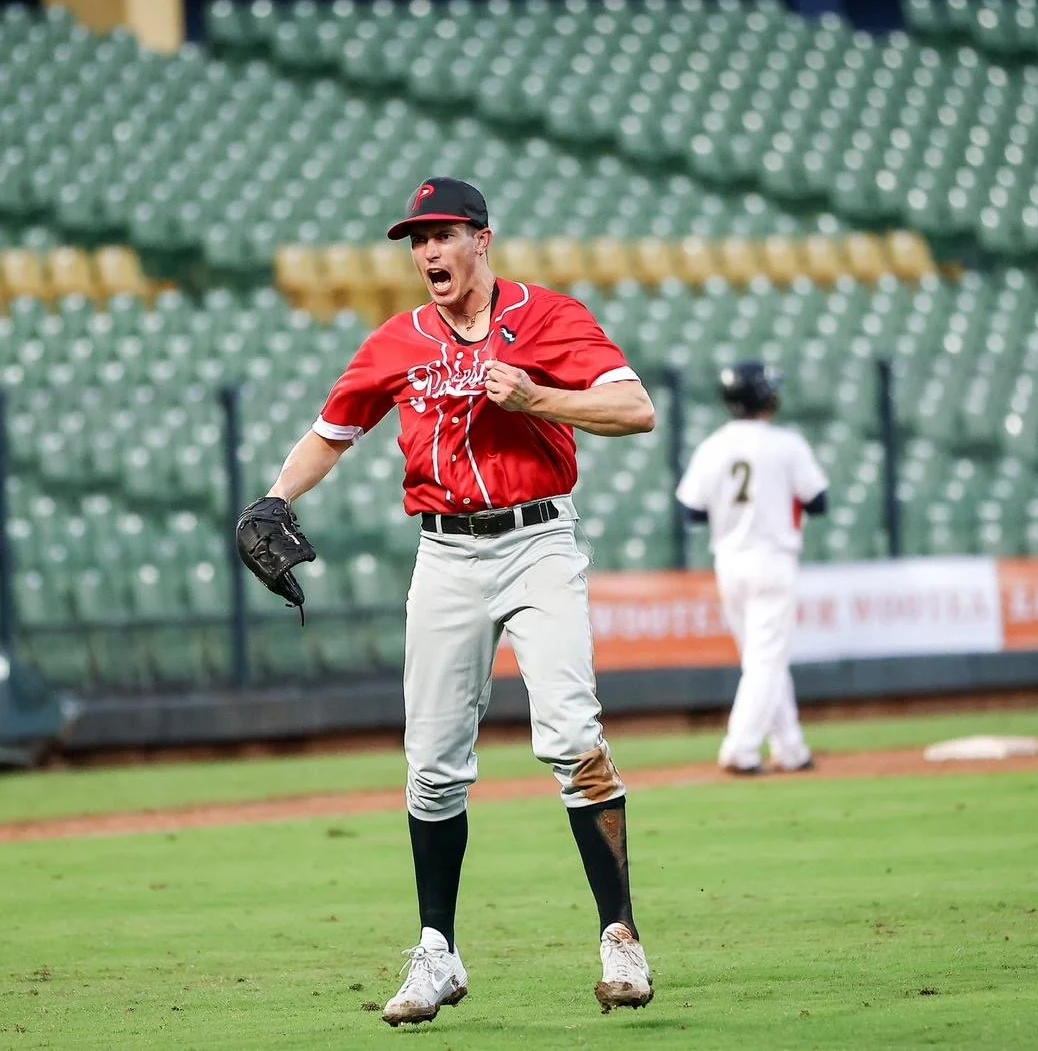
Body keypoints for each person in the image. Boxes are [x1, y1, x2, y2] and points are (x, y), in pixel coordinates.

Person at [246, 177, 658, 1025]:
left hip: (539, 539)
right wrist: (274, 499)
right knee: (432, 765)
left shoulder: (548, 317)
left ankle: (620, 934)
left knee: (574, 733)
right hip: (446, 554)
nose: (427, 251)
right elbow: (333, 432)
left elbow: (635, 408)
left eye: (442, 234)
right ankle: (437, 953)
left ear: (482, 239)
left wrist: (538, 396)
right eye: (416, 239)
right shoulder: (396, 341)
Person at [674, 362, 828, 775]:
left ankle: (791, 747)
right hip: (773, 560)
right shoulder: (786, 444)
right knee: (765, 659)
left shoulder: (714, 445)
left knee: (762, 658)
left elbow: (691, 509)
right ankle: (740, 749)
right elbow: (818, 500)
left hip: (730, 561)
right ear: (766, 398)